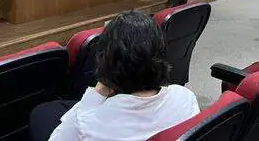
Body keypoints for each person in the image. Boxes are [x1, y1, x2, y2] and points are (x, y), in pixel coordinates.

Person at [30, 11, 200, 141]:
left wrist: (98, 90)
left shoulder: (89, 124)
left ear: (104, 62)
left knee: (41, 115)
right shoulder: (185, 97)